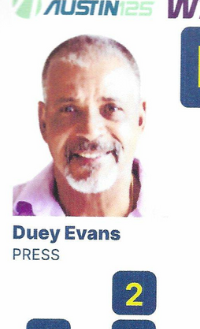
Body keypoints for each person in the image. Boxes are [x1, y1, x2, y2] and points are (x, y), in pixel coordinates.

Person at [13, 35, 147, 217]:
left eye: (111, 108)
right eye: (69, 109)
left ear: (140, 119)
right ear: (43, 122)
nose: (90, 131)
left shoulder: (182, 216)